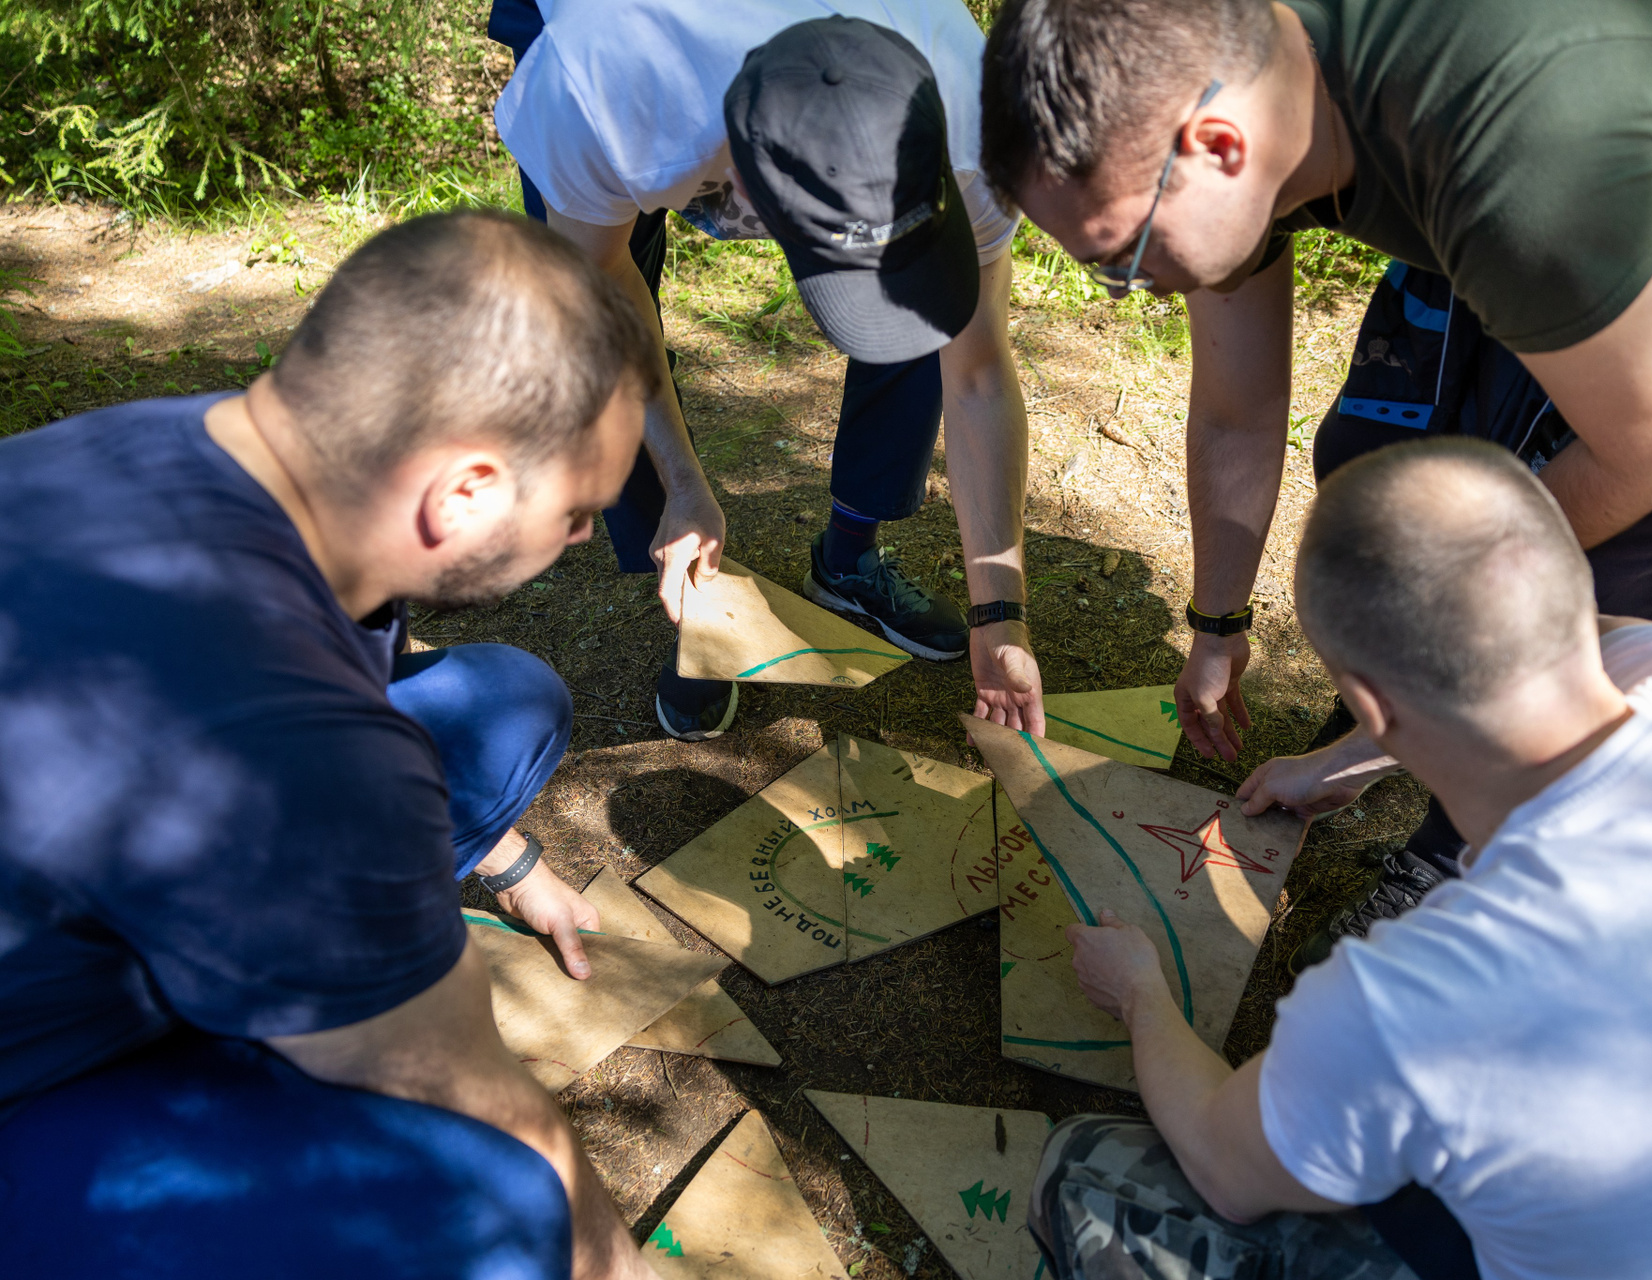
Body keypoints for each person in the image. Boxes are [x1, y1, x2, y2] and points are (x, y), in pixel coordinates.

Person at [978, 0, 1652, 955]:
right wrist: (1217, 627)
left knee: (1574, 577)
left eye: (1119, 261)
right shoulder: (1237, 81)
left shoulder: (1518, 148)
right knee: (1381, 456)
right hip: (1574, 167)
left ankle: (1462, 848)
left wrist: (1396, 703)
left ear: (1218, 147)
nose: (1129, 291)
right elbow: (1238, 408)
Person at [1036, 438, 1652, 1280]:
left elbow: (1224, 1169)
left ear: (1371, 700)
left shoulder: (1423, 995)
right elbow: (1515, 656)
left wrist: (1141, 994)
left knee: (1090, 1174)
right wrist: (1344, 761)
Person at [0, 210, 663, 1278]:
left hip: (88, 832)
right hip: (28, 1075)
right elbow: (483, 1101)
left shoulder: (204, 442)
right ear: (465, 491)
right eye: (581, 510)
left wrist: (505, 860)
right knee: (500, 1211)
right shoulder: (298, 750)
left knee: (506, 699)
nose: (585, 536)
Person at [489, 0, 1042, 742]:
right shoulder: (596, 93)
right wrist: (684, 487)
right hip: (615, 61)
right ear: (742, 196)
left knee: (929, 300)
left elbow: (975, 372)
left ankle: (849, 557)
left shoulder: (974, 121)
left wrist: (1000, 613)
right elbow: (604, 295)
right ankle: (697, 600)